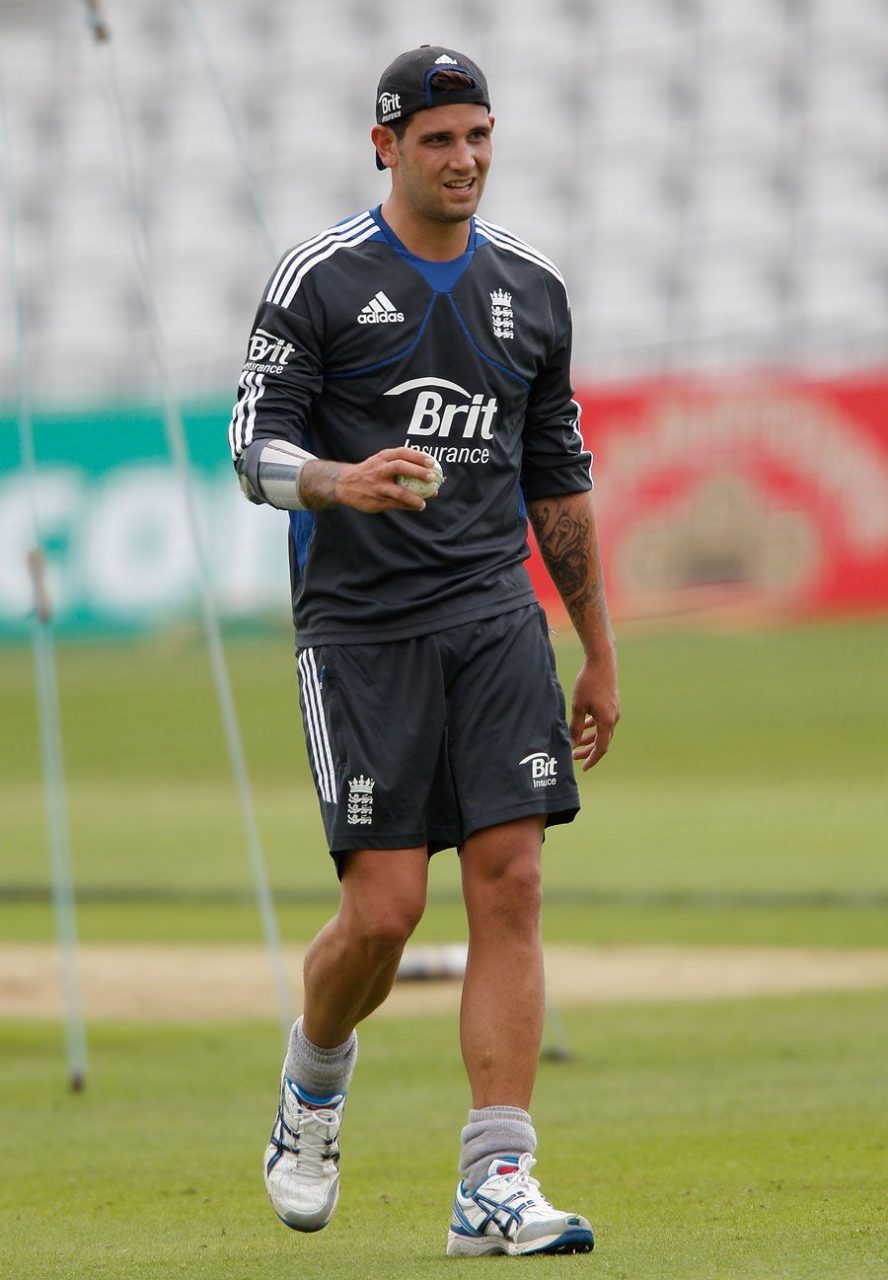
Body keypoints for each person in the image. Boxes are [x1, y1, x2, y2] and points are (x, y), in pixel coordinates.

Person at [229, 44, 620, 1258]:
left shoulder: (533, 290)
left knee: (512, 880)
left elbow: (556, 477)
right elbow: (250, 449)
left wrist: (597, 649)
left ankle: (495, 1180)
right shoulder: (322, 280)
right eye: (439, 137)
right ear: (385, 146)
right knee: (386, 913)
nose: (465, 159)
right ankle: (313, 1079)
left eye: (480, 134)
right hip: (360, 634)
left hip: (495, 617)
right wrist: (344, 480)